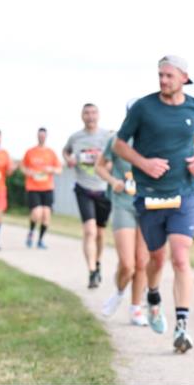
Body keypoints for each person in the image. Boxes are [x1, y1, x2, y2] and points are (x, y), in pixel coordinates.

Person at [114, 55, 194, 352]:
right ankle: (153, 296)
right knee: (156, 259)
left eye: (169, 76)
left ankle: (182, 326)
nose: (163, 81)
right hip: (150, 195)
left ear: (184, 76)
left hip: (184, 193)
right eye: (160, 75)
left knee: (181, 258)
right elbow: (120, 144)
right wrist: (143, 163)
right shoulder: (144, 107)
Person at [96, 128, 155, 327]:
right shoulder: (116, 140)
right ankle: (119, 292)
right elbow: (100, 167)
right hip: (123, 203)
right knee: (127, 264)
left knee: (142, 262)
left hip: (147, 203)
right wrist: (113, 181)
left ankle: (136, 307)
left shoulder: (155, 136)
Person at [64, 104, 114, 288]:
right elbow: (66, 151)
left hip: (103, 189)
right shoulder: (76, 137)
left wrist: (107, 167)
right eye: (86, 113)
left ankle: (98, 262)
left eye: (93, 112)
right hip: (83, 188)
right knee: (89, 231)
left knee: (100, 233)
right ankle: (92, 271)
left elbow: (114, 158)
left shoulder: (107, 137)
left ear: (98, 115)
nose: (90, 116)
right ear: (82, 116)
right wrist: (69, 160)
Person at [22, 127, 62, 249]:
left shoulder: (51, 152)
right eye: (40, 135)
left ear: (46, 136)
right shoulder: (30, 152)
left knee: (46, 215)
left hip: (47, 187)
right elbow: (23, 167)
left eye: (43, 136)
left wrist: (52, 169)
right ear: (37, 136)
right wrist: (28, 172)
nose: (41, 137)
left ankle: (40, 240)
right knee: (37, 213)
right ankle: (31, 232)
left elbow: (59, 170)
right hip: (33, 187)